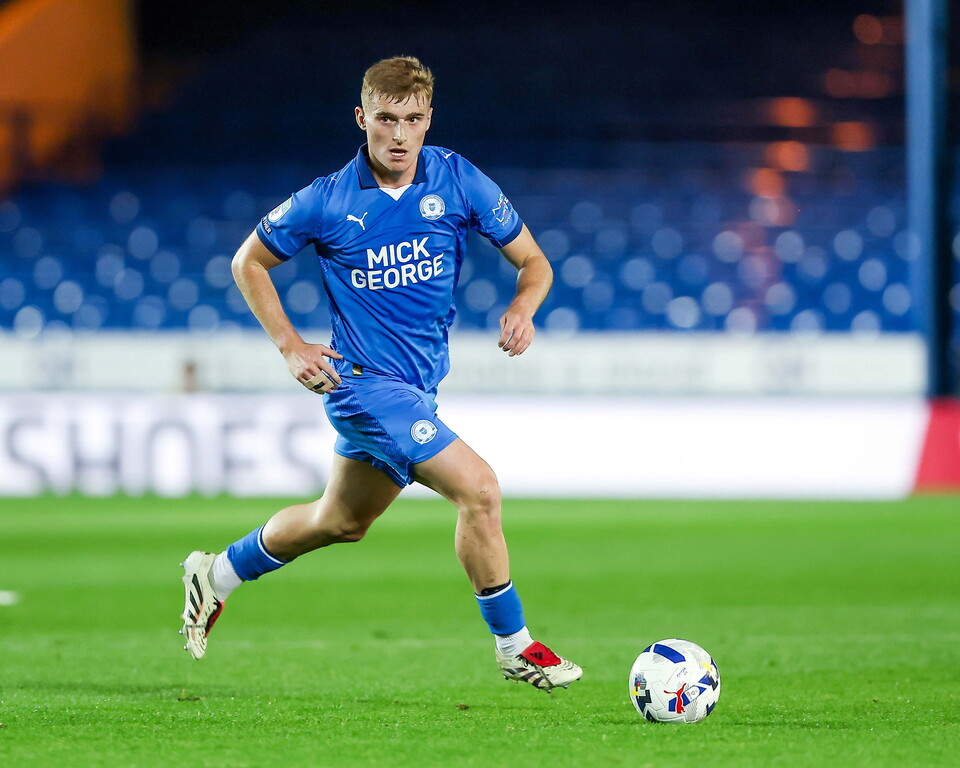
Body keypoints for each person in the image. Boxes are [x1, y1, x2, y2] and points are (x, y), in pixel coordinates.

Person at [179, 56, 581, 692]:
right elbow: (247, 262)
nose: (399, 135)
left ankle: (216, 574)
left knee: (340, 521)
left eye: (413, 120)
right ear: (362, 118)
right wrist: (289, 345)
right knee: (479, 490)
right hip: (363, 387)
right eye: (386, 120)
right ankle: (515, 645)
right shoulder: (326, 201)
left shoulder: (458, 180)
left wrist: (522, 308)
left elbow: (534, 262)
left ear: (428, 121)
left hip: (416, 388)